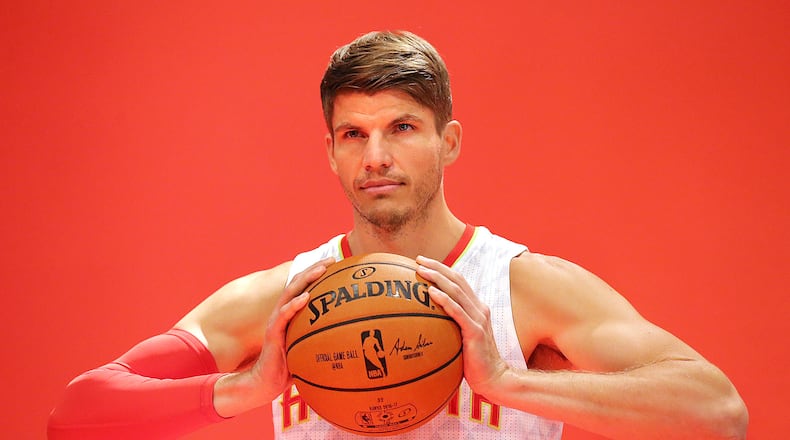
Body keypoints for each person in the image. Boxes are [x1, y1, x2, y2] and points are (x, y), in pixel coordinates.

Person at [48, 30, 748, 440]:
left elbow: (717, 411)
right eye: (353, 134)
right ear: (330, 151)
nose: (375, 156)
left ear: (450, 142)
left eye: (402, 129)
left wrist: (508, 382)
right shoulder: (281, 302)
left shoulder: (524, 288)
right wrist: (240, 389)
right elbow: (78, 414)